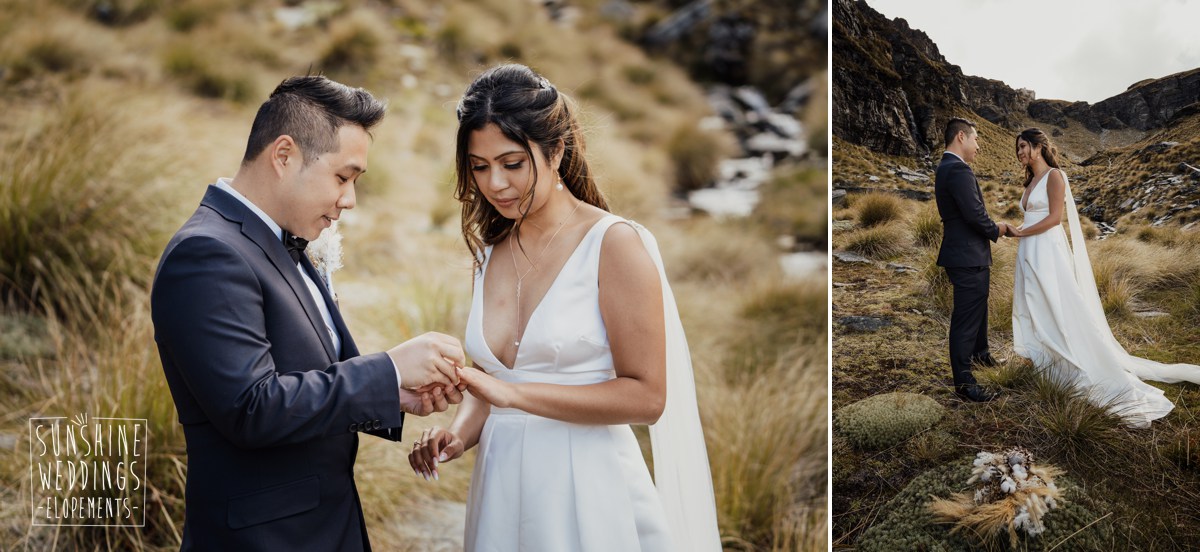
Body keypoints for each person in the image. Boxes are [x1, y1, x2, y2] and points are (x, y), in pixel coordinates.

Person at [407, 63, 721, 551]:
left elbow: (648, 398)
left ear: (555, 150)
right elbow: (489, 383)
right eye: (479, 166)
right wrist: (458, 435)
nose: (495, 185)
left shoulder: (613, 244)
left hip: (590, 491)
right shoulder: (489, 253)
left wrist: (515, 395)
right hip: (500, 489)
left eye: (512, 164)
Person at [151, 75, 467, 550]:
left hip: (323, 525)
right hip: (264, 538)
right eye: (343, 177)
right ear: (284, 156)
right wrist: (387, 368)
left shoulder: (279, 240)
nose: (350, 199)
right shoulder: (207, 253)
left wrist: (395, 393)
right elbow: (251, 409)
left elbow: (305, 378)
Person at [1006, 127, 1200, 427]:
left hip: (1047, 248)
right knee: (1032, 301)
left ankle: (1071, 359)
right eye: (1017, 148)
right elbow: (1031, 216)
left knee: (1055, 301)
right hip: (1029, 249)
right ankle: (1040, 355)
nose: (1019, 153)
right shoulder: (1030, 181)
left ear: (1039, 146)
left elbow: (1054, 218)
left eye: (1023, 146)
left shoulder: (1055, 177)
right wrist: (1017, 230)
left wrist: (1020, 231)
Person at [934, 117, 1009, 402]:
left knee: (978, 307)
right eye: (976, 139)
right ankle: (964, 383)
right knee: (965, 318)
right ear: (961, 137)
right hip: (966, 255)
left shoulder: (946, 168)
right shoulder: (958, 170)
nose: (978, 146)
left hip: (964, 253)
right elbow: (975, 214)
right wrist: (997, 229)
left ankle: (981, 354)